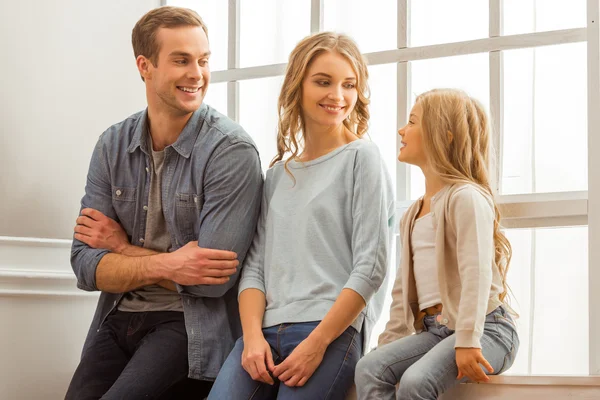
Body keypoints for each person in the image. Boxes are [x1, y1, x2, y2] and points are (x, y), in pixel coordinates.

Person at [65, 6, 262, 399]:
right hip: (118, 315)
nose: (197, 74)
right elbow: (85, 266)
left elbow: (211, 280)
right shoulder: (112, 144)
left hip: (187, 326)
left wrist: (121, 249)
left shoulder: (231, 150)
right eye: (182, 60)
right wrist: (172, 263)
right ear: (145, 65)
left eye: (203, 61)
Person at [208, 32, 394, 400]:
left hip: (329, 332)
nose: (337, 96)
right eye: (323, 82)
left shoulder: (363, 158)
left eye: (349, 84)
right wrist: (251, 338)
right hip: (262, 333)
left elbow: (371, 265)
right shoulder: (277, 176)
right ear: (298, 85)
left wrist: (317, 343)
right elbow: (255, 268)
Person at [354, 88, 520, 400]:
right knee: (369, 368)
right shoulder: (413, 214)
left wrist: (469, 339)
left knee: (417, 382)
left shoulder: (465, 197)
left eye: (413, 122)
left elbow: (477, 273)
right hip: (436, 330)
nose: (402, 130)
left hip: (488, 329)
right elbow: (402, 293)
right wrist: (390, 346)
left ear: (442, 136)